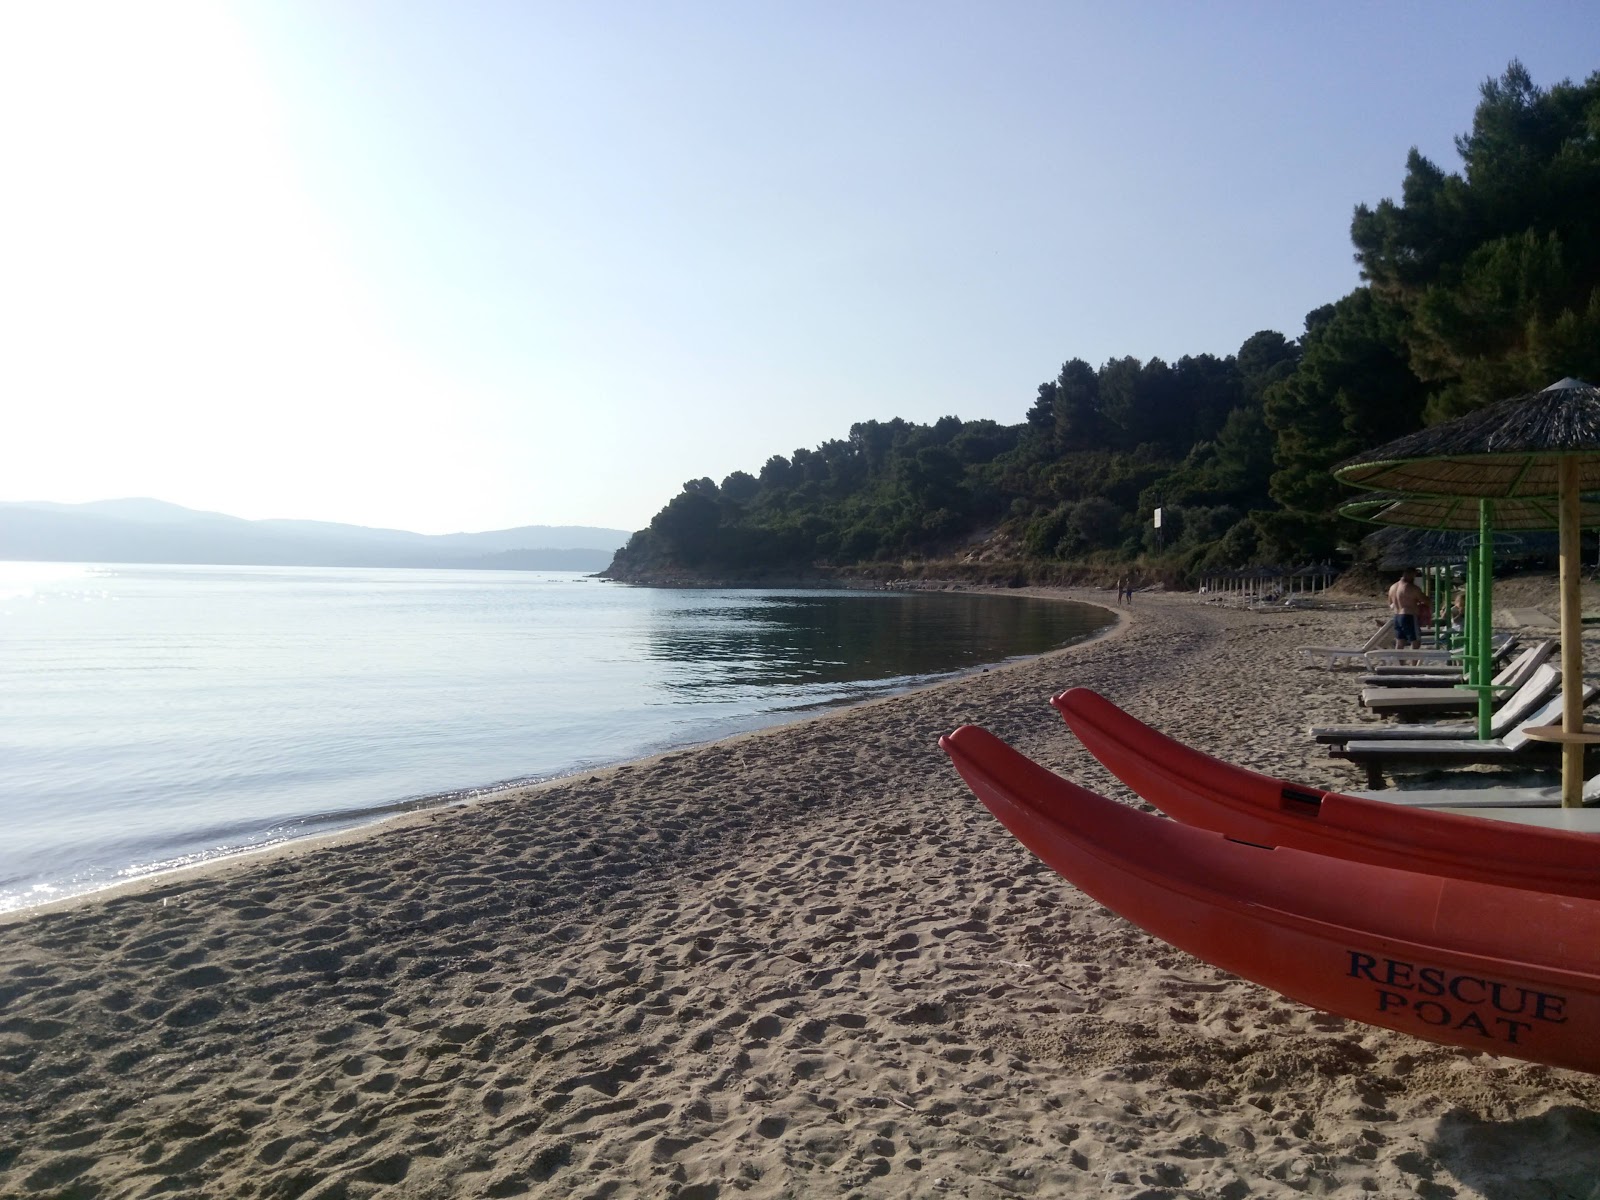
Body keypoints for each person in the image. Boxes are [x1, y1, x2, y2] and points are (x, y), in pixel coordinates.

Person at [1387, 568, 1426, 649]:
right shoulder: (1412, 588)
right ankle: (1413, 662)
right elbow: (1425, 600)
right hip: (1409, 616)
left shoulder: (1393, 587)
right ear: (1411, 574)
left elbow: (1390, 604)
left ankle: (1400, 662)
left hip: (1397, 616)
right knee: (1415, 642)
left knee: (1400, 642)